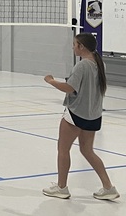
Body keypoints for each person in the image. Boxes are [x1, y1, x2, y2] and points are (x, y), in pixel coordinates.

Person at [41, 33, 119, 200]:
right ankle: (108, 187)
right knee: (87, 150)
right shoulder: (99, 63)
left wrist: (51, 81)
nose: (72, 47)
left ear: (81, 47)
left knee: (63, 149)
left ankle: (61, 188)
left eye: (74, 44)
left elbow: (69, 88)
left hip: (76, 113)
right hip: (93, 114)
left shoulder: (82, 66)